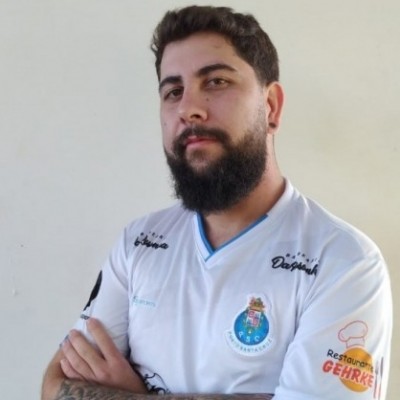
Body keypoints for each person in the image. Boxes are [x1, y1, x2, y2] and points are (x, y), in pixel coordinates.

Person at [41, 5, 392, 400]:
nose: (188, 108)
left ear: (271, 107)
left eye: (216, 82)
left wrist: (136, 394)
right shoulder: (138, 244)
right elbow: (54, 387)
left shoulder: (344, 262)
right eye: (173, 91)